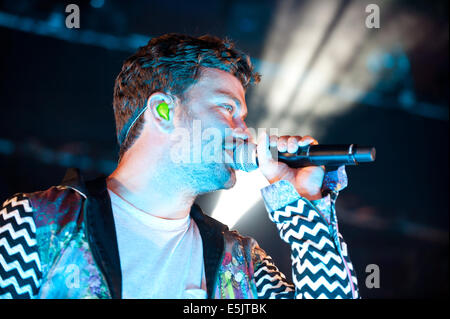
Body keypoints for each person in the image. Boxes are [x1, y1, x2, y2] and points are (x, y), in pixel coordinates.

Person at [0, 33, 359, 299]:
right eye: (227, 109)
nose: (243, 131)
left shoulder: (239, 261)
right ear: (163, 110)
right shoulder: (39, 222)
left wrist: (303, 204)